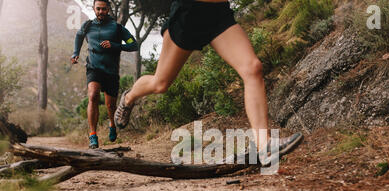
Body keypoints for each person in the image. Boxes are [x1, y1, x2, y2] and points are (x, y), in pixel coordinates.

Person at [114, 0, 303, 165]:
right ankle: (129, 98)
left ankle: (264, 144)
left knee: (252, 68)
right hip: (188, 14)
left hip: (218, 14)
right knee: (160, 84)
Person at [71, 0, 138, 149]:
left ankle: (112, 125)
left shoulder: (117, 28)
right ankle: (93, 135)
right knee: (93, 95)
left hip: (111, 71)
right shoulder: (88, 25)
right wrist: (75, 53)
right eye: (98, 9)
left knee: (110, 105)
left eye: (104, 9)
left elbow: (133, 44)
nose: (101, 12)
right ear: (94, 9)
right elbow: (79, 36)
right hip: (93, 68)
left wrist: (115, 45)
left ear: (108, 9)